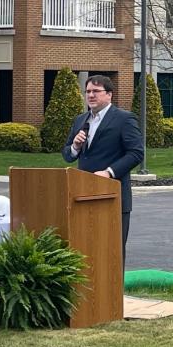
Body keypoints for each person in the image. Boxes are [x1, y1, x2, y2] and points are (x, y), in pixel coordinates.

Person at [62, 75, 144, 261]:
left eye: (96, 91)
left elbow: (136, 153)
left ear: (109, 95)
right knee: (86, 251)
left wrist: (109, 172)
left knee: (111, 253)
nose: (91, 95)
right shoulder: (80, 121)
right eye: (88, 91)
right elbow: (67, 155)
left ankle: (114, 291)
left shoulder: (124, 119)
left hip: (112, 197)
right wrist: (75, 146)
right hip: (82, 196)